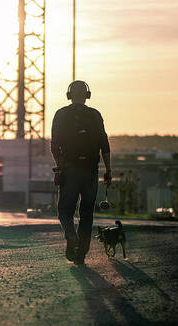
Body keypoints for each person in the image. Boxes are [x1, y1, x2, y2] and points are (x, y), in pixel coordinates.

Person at [51, 80, 112, 265]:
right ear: (87, 95)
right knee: (87, 213)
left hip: (69, 170)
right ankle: (81, 252)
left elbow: (54, 145)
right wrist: (108, 170)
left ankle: (71, 236)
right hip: (91, 172)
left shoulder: (60, 114)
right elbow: (105, 145)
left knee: (64, 210)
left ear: (69, 95)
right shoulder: (95, 115)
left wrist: (60, 165)